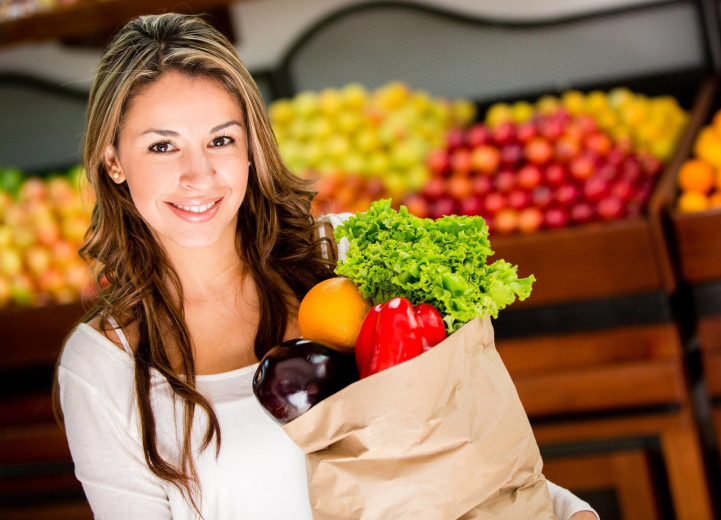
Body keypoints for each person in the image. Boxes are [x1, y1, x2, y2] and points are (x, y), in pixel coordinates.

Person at [53, 12, 598, 520]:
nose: (199, 175)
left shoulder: (343, 258)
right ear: (114, 160)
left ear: (250, 150)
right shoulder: (102, 367)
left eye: (221, 140)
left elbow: (466, 439)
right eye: (162, 147)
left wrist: (566, 509)